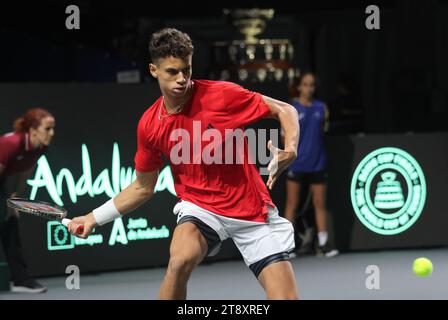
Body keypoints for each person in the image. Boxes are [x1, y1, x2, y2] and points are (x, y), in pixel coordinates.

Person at [68, 28, 300, 300]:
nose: (182, 79)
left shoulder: (221, 96)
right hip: (200, 208)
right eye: (172, 72)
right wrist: (93, 218)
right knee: (179, 261)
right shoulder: (150, 125)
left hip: (251, 210)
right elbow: (143, 187)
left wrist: (291, 148)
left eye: (186, 70)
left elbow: (284, 109)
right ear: (154, 70)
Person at [0, 108, 55, 293]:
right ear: (32, 130)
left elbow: (25, 171)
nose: (52, 133)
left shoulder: (41, 146)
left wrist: (14, 198)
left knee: (10, 223)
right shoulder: (12, 143)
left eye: (53, 128)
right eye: (47, 129)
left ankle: (21, 280)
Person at [283, 72, 339, 258]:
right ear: (299, 87)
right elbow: (285, 137)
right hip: (296, 163)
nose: (309, 88)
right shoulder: (291, 108)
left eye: (312, 85)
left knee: (319, 204)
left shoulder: (322, 108)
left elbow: (323, 132)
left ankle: (323, 244)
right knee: (292, 203)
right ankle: (287, 246)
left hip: (317, 163)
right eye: (305, 84)